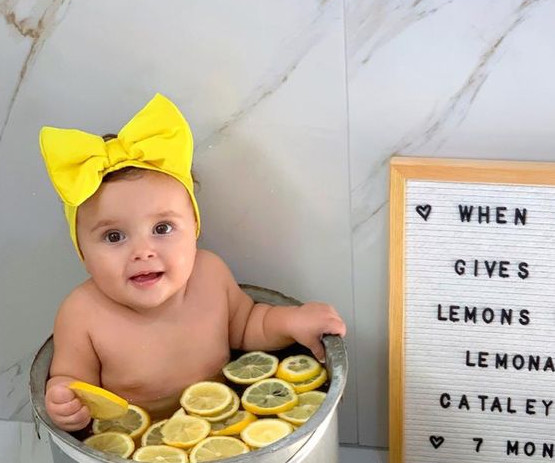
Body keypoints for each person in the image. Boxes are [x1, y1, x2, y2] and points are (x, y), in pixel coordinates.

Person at [39, 93, 346, 432]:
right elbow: (71, 379)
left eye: (162, 228)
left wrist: (292, 320)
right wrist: (63, 399)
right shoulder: (81, 314)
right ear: (82, 252)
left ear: (195, 229)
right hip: (136, 446)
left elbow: (246, 325)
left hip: (223, 425)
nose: (142, 252)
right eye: (114, 237)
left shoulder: (210, 275)